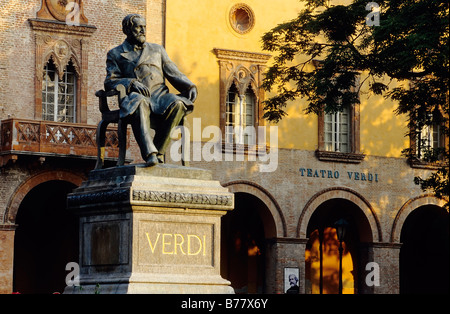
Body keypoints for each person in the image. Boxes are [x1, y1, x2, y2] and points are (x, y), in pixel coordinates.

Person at [104, 13, 197, 166]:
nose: (143, 31)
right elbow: (109, 82)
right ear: (127, 30)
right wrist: (130, 82)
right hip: (136, 97)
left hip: (160, 96)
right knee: (140, 103)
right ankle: (150, 154)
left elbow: (173, 72)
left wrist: (189, 86)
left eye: (144, 27)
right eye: (138, 27)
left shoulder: (157, 50)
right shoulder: (115, 54)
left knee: (178, 103)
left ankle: (159, 151)